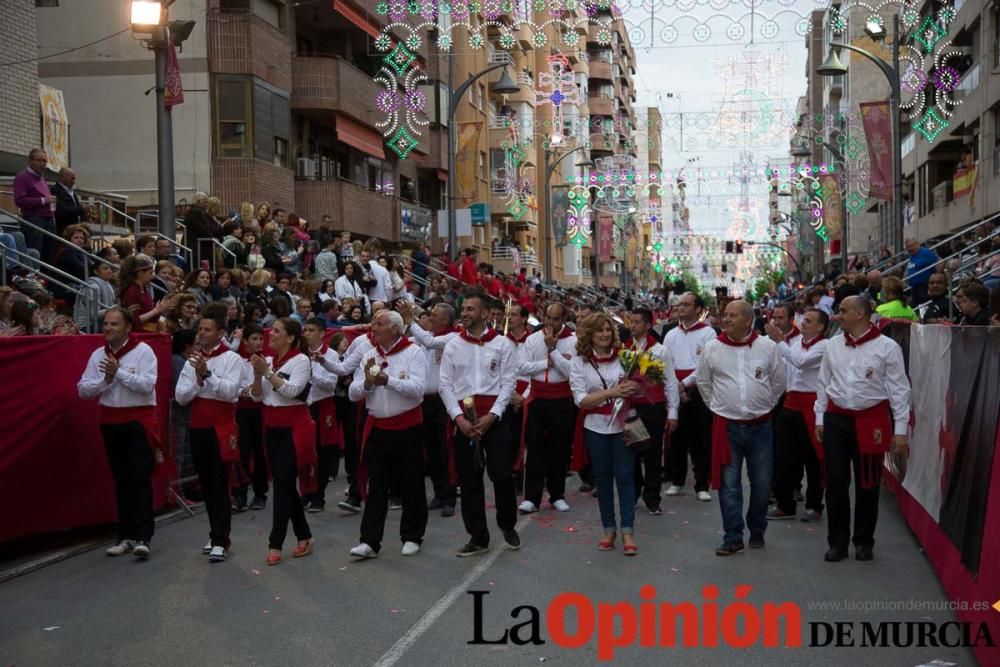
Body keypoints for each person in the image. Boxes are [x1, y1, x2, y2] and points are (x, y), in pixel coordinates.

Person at [815, 296, 910, 562]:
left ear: (860, 314)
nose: (838, 315)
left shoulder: (887, 347)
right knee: (835, 482)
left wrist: (900, 429)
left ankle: (864, 540)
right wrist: (819, 419)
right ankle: (837, 542)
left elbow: (899, 389)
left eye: (843, 311)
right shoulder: (833, 345)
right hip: (836, 419)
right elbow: (823, 384)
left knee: (868, 482)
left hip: (871, 420)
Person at [697, 300, 786, 556]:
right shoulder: (712, 348)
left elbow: (779, 382)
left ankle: (757, 529)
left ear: (748, 320)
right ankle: (733, 536)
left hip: (760, 427)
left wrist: (764, 405)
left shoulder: (768, 347)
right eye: (725, 315)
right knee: (730, 485)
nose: (726, 319)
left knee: (761, 482)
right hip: (727, 427)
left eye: (733, 315)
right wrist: (719, 405)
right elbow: (704, 383)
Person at [438, 291, 520, 556]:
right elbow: (445, 385)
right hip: (464, 419)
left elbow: (508, 384)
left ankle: (507, 524)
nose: (465, 313)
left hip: (494, 418)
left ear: (485, 313)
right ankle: (478, 537)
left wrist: (493, 415)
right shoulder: (452, 345)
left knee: (502, 474)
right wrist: (458, 418)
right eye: (464, 309)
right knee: (470, 480)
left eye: (471, 309)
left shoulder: (503, 344)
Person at [77, 307, 161, 560]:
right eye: (105, 324)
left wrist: (119, 373)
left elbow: (148, 385)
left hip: (138, 422)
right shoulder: (97, 355)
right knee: (121, 481)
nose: (108, 329)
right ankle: (124, 535)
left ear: (127, 327)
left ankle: (143, 536)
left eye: (114, 324)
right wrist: (105, 380)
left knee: (139, 479)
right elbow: (82, 389)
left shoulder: (143, 351)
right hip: (111, 422)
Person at [347, 311, 428, 559]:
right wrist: (368, 384)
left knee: (411, 483)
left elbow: (418, 390)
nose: (374, 327)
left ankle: (412, 535)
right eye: (373, 323)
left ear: (395, 328)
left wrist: (386, 380)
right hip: (378, 428)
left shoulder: (413, 351)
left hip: (407, 427)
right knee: (377, 486)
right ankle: (370, 541)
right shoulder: (369, 354)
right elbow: (352, 392)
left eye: (380, 323)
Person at [174, 303, 245, 563]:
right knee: (206, 483)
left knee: (219, 483)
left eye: (207, 329)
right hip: (198, 427)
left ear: (220, 332)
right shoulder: (193, 359)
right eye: (199, 329)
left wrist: (208, 375)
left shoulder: (232, 358)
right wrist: (198, 379)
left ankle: (221, 539)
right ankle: (215, 532)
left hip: (220, 428)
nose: (201, 334)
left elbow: (230, 393)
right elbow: (181, 396)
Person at [570, 312, 643, 554]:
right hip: (596, 427)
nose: (604, 334)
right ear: (589, 334)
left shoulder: (626, 358)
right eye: (599, 330)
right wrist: (612, 392)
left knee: (625, 476)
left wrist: (635, 387)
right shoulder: (579, 361)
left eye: (608, 330)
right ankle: (609, 529)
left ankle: (628, 531)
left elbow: (642, 389)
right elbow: (581, 400)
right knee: (603, 479)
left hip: (623, 425)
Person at [249, 318, 317, 566]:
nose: (271, 334)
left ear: (290, 337)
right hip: (272, 428)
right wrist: (258, 376)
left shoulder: (301, 360)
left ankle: (275, 542)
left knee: (283, 483)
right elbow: (256, 396)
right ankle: (305, 535)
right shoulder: (266, 360)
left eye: (277, 331)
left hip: (295, 428)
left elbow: (292, 391)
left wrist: (266, 373)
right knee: (285, 483)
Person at [765, 308, 829, 523]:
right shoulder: (796, 343)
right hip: (792, 400)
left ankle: (814, 505)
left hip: (811, 402)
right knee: (783, 454)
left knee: (813, 457)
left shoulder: (824, 346)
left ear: (820, 326)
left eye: (809, 321)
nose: (803, 323)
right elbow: (788, 368)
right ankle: (785, 503)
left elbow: (801, 362)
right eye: (804, 320)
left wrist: (780, 342)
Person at [401, 301, 461, 516]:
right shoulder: (428, 339)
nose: (430, 318)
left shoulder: (452, 337)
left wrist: (410, 320)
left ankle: (449, 497)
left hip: (444, 401)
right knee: (431, 450)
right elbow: (409, 340)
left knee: (445, 451)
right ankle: (438, 492)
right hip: (425, 402)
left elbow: (429, 341)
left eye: (433, 315)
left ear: (444, 319)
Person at [518, 303, 577, 514]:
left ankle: (557, 495)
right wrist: (546, 363)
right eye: (548, 318)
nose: (551, 323)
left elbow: (571, 371)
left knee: (559, 449)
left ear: (564, 319)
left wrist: (553, 350)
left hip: (561, 399)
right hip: (537, 398)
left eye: (556, 319)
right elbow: (522, 367)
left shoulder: (573, 341)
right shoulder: (532, 339)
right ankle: (531, 497)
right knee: (534, 448)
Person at [661, 292, 717, 501]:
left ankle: (702, 484)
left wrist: (684, 385)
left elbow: (705, 364)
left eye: (686, 304)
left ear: (698, 309)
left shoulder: (708, 333)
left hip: (698, 389)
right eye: (679, 304)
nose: (681, 308)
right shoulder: (670, 334)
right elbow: (665, 362)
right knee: (677, 437)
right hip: (675, 386)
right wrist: (675, 385)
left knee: (700, 438)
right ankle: (677, 480)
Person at [625, 308, 679, 515]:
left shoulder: (660, 350)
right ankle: (635, 490)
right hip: (632, 407)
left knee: (653, 455)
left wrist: (673, 412)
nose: (633, 325)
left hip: (653, 407)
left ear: (648, 325)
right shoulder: (625, 348)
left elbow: (669, 382)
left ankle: (652, 497)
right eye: (632, 321)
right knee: (632, 452)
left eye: (638, 322)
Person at [302, 318, 341, 513]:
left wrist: (311, 373)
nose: (306, 333)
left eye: (311, 330)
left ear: (322, 333)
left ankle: (318, 495)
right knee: (305, 451)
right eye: (305, 329)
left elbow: (330, 384)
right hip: (304, 406)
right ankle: (306, 491)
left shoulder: (331, 354)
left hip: (323, 405)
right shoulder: (301, 353)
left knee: (323, 452)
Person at [233, 324, 269, 512]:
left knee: (260, 451)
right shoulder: (238, 361)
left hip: (260, 410)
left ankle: (260, 493)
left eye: (261, 339)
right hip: (242, 410)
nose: (258, 342)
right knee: (243, 452)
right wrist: (242, 391)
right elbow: (234, 384)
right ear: (245, 341)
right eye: (254, 339)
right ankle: (240, 494)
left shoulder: (267, 361)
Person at [13, 149, 57, 262]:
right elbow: (19, 200)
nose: (42, 164)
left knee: (49, 253)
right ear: (30, 161)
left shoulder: (41, 178)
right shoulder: (23, 177)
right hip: (34, 220)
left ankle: (47, 278)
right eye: (39, 160)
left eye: (44, 161)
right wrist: (43, 200)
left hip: (49, 219)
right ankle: (35, 277)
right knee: (36, 252)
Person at [119, 254, 175, 332]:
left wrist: (162, 309)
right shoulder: (132, 291)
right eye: (150, 273)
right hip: (139, 334)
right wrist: (156, 310)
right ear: (140, 273)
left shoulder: (144, 289)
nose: (152, 277)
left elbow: (151, 316)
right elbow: (134, 320)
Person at [74, 259, 117, 333]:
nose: (110, 271)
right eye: (105, 268)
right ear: (96, 272)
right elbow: (94, 315)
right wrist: (115, 308)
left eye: (111, 268)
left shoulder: (108, 284)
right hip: (86, 326)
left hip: (99, 322)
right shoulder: (93, 287)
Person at [905, 238, 940, 306]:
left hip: (924, 286)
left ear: (917, 245)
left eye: (911, 246)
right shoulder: (912, 255)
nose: (909, 248)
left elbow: (938, 262)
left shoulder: (925, 253)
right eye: (907, 247)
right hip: (914, 287)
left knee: (924, 306)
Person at [54, 167, 87, 236]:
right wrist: (81, 209)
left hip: (75, 228)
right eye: (72, 179)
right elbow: (62, 211)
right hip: (64, 229)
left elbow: (75, 207)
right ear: (62, 177)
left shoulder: (71, 191)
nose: (74, 182)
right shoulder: (56, 190)